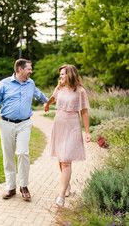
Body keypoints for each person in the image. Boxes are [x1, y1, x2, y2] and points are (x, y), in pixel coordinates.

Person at [0, 58, 48, 201]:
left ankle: (23, 186)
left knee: (23, 153)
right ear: (20, 69)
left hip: (25, 124)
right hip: (6, 124)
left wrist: (49, 102)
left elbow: (39, 94)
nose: (31, 71)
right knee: (8, 156)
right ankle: (11, 187)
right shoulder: (4, 83)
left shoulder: (31, 83)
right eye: (29, 69)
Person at [44, 64, 91, 207]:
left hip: (72, 127)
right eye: (60, 75)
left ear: (70, 74)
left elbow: (84, 112)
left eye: (63, 74)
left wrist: (87, 132)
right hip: (59, 125)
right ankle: (67, 186)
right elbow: (53, 98)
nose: (61, 77)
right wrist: (47, 104)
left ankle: (61, 196)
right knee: (60, 156)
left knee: (66, 160)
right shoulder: (59, 88)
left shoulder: (80, 91)